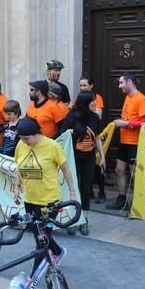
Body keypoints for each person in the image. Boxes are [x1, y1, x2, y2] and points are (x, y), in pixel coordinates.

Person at [12, 117, 77, 272]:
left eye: (27, 138)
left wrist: (72, 192)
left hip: (49, 202)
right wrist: (16, 186)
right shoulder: (21, 145)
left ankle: (33, 277)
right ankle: (58, 251)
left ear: (36, 134)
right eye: (21, 139)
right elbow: (19, 167)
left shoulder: (52, 146)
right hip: (30, 199)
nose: (25, 142)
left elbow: (66, 169)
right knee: (39, 235)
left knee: (41, 240)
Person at [60, 91, 105, 232]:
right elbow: (63, 136)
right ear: (86, 102)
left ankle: (84, 219)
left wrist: (102, 156)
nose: (95, 104)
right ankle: (73, 219)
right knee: (74, 187)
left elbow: (96, 137)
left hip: (89, 157)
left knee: (85, 187)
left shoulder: (94, 118)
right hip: (73, 157)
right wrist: (70, 133)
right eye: (93, 101)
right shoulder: (71, 117)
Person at [107, 72, 145, 210]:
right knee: (119, 170)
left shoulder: (141, 99)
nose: (120, 86)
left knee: (135, 174)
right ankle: (121, 199)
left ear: (129, 82)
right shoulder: (128, 97)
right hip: (124, 141)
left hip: (135, 143)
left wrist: (125, 124)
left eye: (121, 83)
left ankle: (137, 204)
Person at [79, 77, 106, 202]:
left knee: (97, 164)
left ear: (91, 86)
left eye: (85, 85)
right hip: (80, 147)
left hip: (94, 133)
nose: (82, 88)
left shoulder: (97, 98)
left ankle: (101, 191)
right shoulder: (79, 100)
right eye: (80, 85)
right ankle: (87, 193)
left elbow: (98, 115)